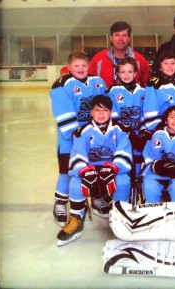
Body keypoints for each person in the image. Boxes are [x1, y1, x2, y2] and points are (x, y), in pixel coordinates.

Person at [57, 95, 133, 246]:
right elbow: (77, 154)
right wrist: (84, 171)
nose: (101, 114)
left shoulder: (120, 129)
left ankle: (120, 218)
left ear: (111, 112)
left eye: (105, 110)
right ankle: (76, 219)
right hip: (90, 169)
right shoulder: (82, 131)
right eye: (97, 110)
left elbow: (124, 152)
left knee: (123, 181)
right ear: (91, 112)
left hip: (112, 169)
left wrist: (112, 168)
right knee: (75, 183)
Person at [50, 50, 107, 227]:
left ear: (88, 65)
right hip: (70, 140)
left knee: (95, 167)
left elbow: (104, 107)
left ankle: (96, 197)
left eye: (84, 65)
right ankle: (60, 203)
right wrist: (78, 135)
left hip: (92, 137)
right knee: (67, 171)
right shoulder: (61, 84)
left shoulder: (97, 82)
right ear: (68, 67)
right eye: (76, 66)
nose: (81, 69)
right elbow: (63, 113)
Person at [106, 57, 147, 179]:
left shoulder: (143, 92)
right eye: (123, 72)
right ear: (118, 74)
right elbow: (113, 118)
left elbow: (145, 115)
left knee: (137, 166)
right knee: (121, 166)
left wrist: (143, 134)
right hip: (120, 137)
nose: (126, 75)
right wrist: (127, 133)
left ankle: (136, 186)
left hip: (138, 137)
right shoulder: (112, 91)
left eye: (130, 71)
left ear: (135, 73)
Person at [89, 21, 151, 87]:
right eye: (117, 35)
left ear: (129, 39)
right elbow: (89, 85)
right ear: (111, 38)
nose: (120, 39)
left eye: (124, 35)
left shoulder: (140, 60)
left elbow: (147, 87)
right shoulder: (98, 59)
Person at [143, 51, 175, 132]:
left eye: (173, 63)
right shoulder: (154, 84)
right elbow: (150, 113)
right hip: (162, 130)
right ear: (160, 66)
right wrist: (166, 130)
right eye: (166, 63)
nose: (170, 66)